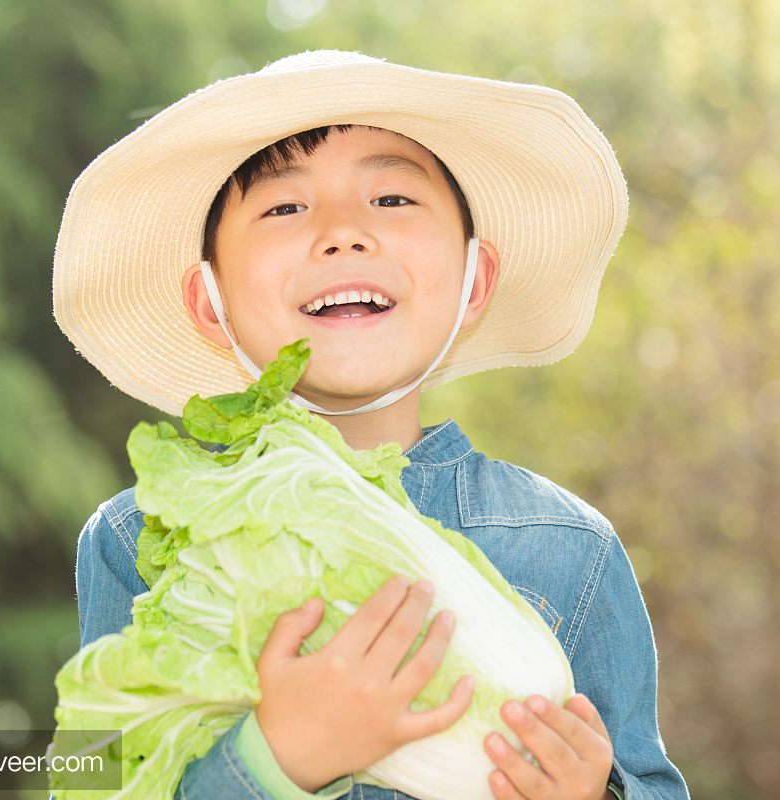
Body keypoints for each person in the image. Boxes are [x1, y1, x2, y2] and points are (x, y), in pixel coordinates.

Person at [53, 50, 688, 800]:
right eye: (285, 208)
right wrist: (277, 758)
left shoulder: (568, 548)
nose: (343, 233)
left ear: (473, 280)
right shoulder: (139, 541)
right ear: (208, 303)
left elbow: (647, 781)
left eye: (391, 199)